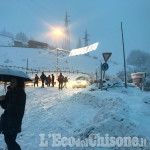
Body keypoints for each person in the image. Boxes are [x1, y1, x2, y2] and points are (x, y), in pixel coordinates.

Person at [0, 78, 26, 150]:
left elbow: (19, 110)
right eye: (11, 81)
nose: (11, 83)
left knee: (10, 141)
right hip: (7, 120)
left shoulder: (21, 94)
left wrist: (17, 123)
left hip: (14, 121)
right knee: (7, 140)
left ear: (19, 83)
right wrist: (2, 100)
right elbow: (5, 106)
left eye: (14, 81)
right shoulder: (10, 92)